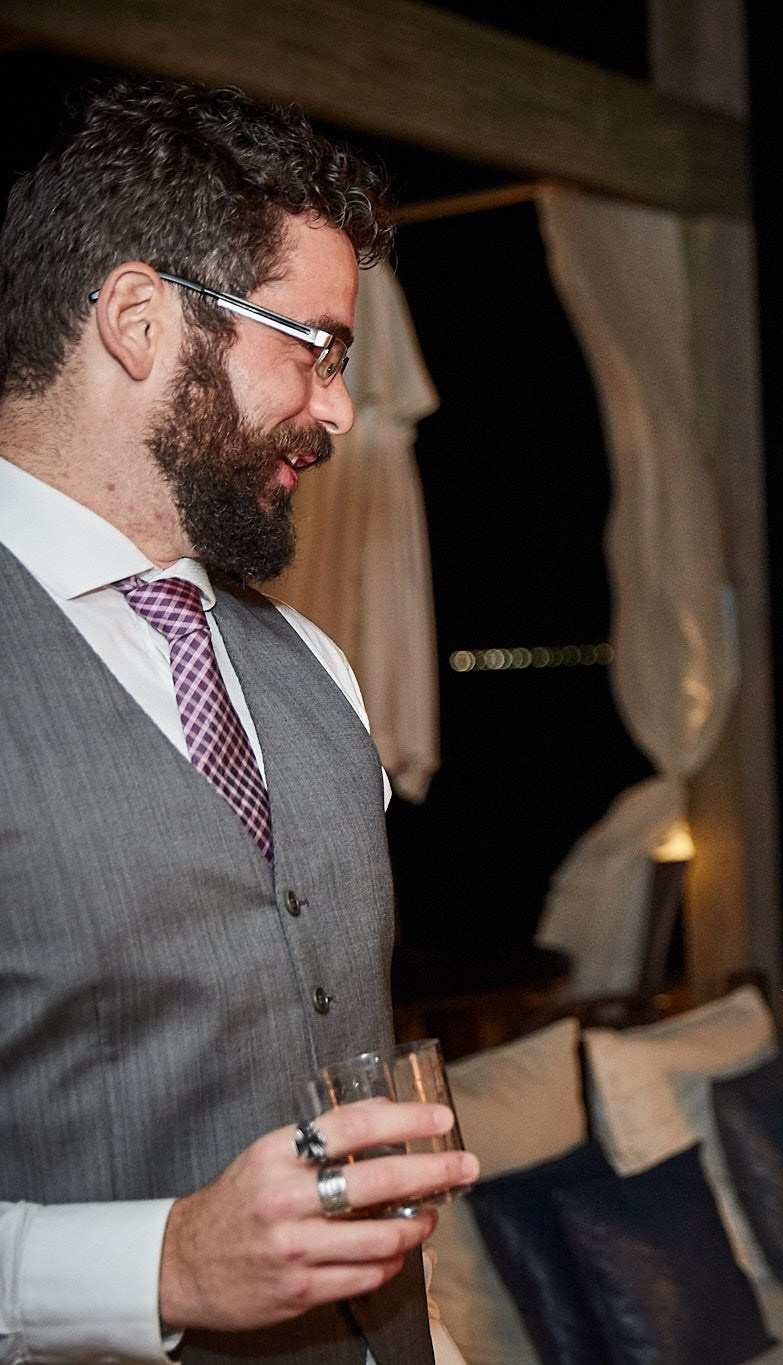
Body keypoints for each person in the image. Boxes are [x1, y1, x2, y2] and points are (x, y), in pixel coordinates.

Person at [0, 80, 477, 1362]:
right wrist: (157, 1266)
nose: (336, 409)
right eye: (313, 348)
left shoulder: (314, 663)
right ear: (140, 319)